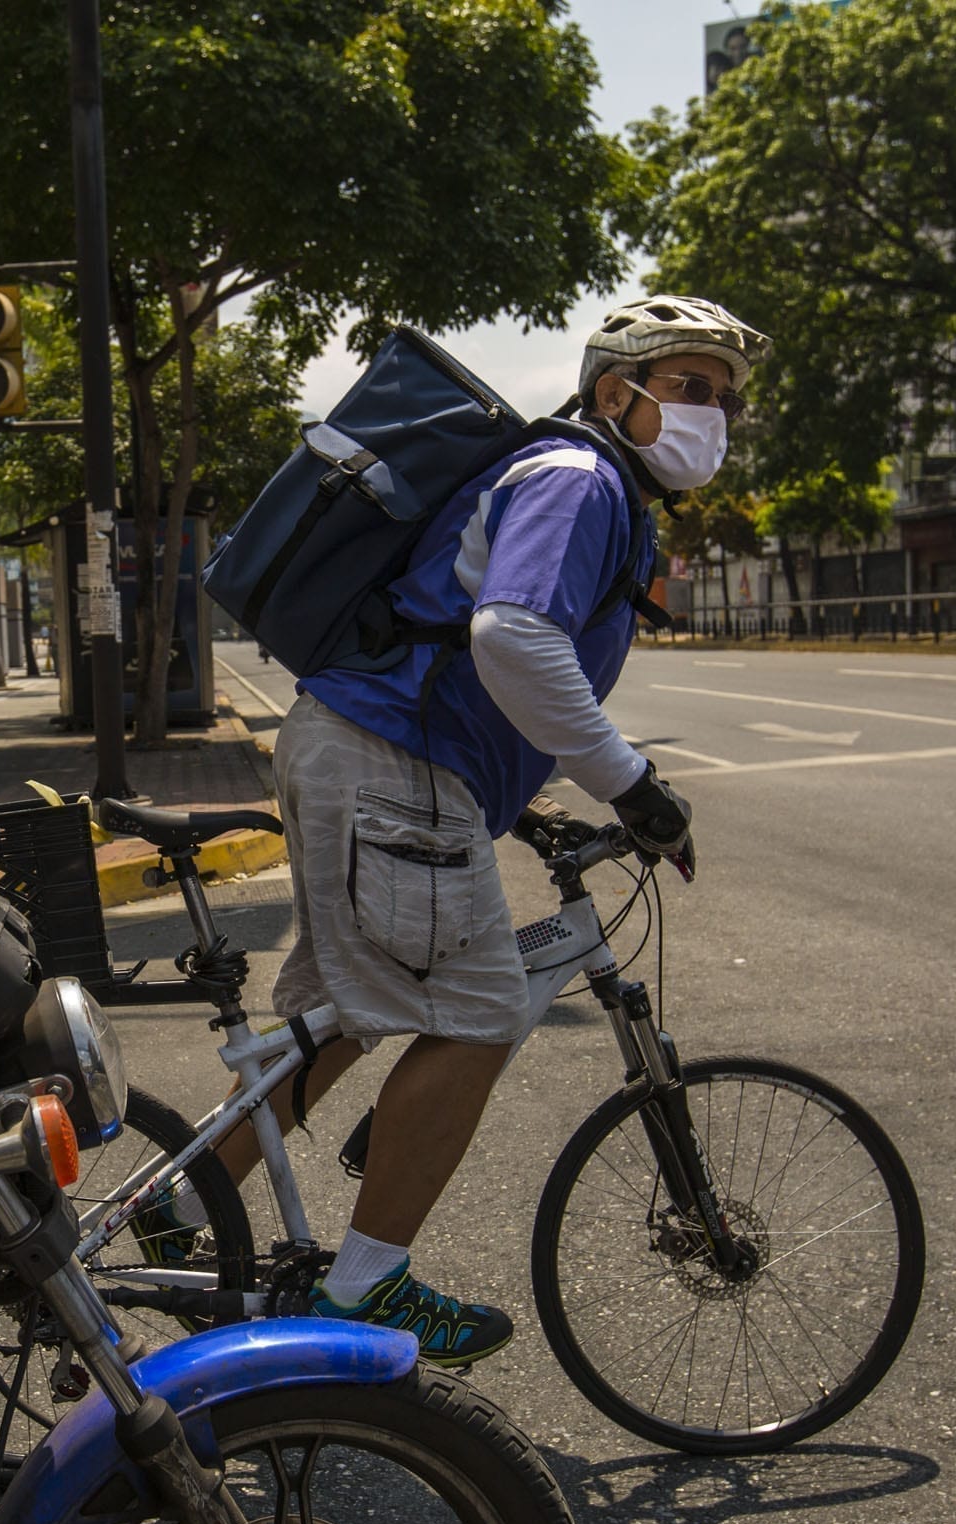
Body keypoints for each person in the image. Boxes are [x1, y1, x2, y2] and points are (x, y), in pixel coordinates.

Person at [146, 296, 770, 1365]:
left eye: (726, 398)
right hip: (391, 765)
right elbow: (514, 637)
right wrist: (634, 786)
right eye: (690, 386)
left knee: (345, 1013)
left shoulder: (577, 481)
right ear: (615, 393)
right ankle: (364, 1285)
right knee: (478, 1012)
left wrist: (517, 797)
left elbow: (472, 646)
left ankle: (179, 1211)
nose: (713, 412)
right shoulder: (580, 482)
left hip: (365, 751)